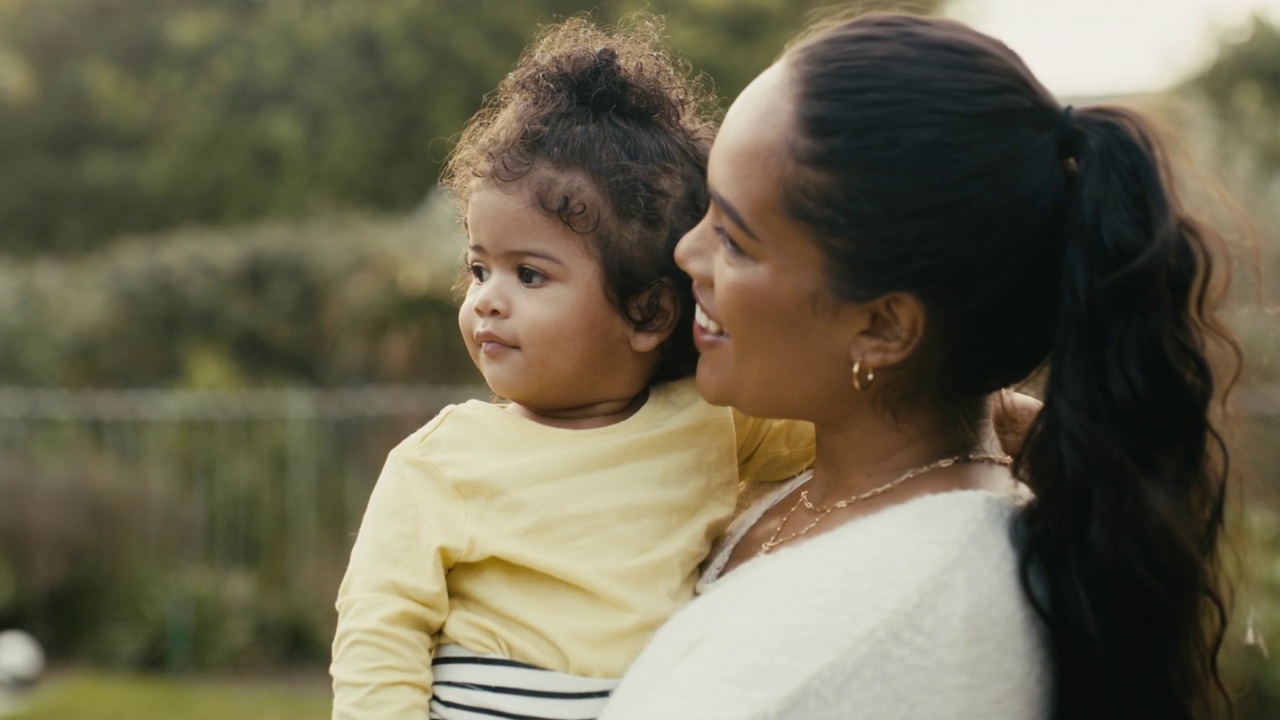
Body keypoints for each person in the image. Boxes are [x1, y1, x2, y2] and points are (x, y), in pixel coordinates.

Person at [599, 11, 1237, 720]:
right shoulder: (824, 484)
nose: (687, 255)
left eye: (736, 242)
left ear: (882, 326)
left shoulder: (863, 633)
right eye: (708, 211)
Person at [329, 17, 815, 720]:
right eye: (477, 268)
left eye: (528, 274)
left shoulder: (710, 424)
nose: (486, 300)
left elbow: (847, 427)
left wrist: (995, 417)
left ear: (648, 314)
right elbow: (379, 631)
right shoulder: (444, 459)